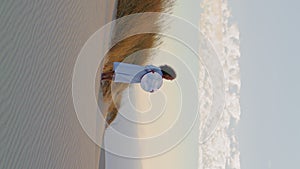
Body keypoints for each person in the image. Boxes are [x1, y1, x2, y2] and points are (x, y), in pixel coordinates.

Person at [101, 62, 176, 92]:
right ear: (168, 74)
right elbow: (148, 66)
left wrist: (151, 89)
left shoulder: (159, 79)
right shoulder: (158, 70)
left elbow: (149, 83)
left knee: (120, 77)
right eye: (170, 78)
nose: (168, 79)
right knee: (121, 71)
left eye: (170, 80)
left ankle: (105, 78)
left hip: (137, 79)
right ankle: (104, 75)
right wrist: (150, 71)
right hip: (137, 71)